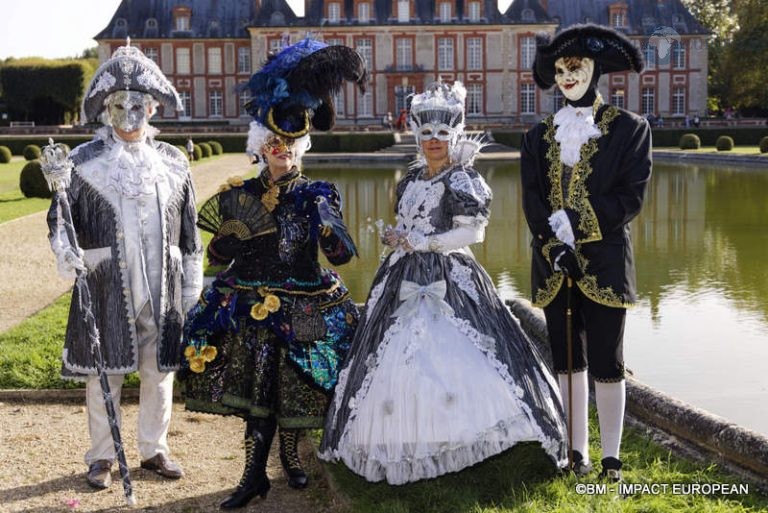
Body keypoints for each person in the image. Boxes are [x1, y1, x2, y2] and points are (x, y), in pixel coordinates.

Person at [319, 80, 568, 485]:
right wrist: (399, 236)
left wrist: (423, 241)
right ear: (417, 136)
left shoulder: (463, 180)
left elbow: (473, 235)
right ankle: (402, 436)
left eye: (441, 134)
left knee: (470, 352)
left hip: (449, 274)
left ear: (453, 136)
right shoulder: (410, 180)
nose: (433, 141)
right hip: (402, 272)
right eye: (426, 133)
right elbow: (407, 221)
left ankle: (467, 432)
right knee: (389, 353)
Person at [180, 37, 368, 509]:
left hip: (306, 299)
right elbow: (216, 260)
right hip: (252, 302)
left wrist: (329, 232)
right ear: (260, 145)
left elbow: (344, 255)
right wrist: (222, 245)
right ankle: (252, 477)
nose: (281, 149)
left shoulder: (318, 192)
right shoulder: (238, 192)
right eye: (272, 142)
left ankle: (291, 455)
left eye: (289, 141)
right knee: (260, 389)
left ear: (301, 144)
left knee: (300, 384)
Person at [46, 42, 203, 489]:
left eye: (138, 105)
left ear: (152, 108)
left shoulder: (174, 162)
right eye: (119, 105)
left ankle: (154, 450)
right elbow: (60, 221)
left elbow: (189, 231)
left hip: (162, 284)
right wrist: (67, 250)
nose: (129, 114)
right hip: (106, 285)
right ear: (105, 110)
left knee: (160, 374)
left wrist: (190, 288)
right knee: (105, 373)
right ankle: (101, 457)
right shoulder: (79, 165)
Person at [522, 24, 652, 482]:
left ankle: (611, 458)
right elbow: (533, 200)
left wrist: (578, 225)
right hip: (554, 265)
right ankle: (577, 452)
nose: (566, 76)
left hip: (606, 263)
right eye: (558, 69)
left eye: (574, 66)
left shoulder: (630, 130)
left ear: (595, 68)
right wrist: (556, 245)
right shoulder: (537, 136)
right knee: (566, 359)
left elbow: (628, 199)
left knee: (607, 361)